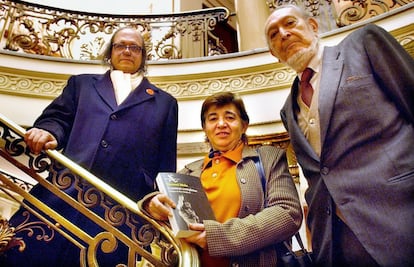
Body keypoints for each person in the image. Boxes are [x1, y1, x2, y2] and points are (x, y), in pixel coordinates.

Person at [0, 27, 178, 266]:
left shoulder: (165, 103)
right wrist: (50, 131)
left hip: (120, 216)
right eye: (120, 45)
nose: (127, 51)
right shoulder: (82, 85)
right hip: (61, 195)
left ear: (143, 56)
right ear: (110, 52)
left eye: (134, 47)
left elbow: (166, 165)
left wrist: (158, 197)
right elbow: (58, 119)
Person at [264, 4, 414, 267]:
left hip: (400, 219)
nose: (283, 34)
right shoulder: (288, 110)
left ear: (312, 26)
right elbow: (319, 172)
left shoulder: (363, 45)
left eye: (290, 24)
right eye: (274, 34)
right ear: (274, 54)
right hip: (337, 244)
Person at [139, 92, 303, 267]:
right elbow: (168, 224)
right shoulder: (187, 172)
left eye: (230, 117)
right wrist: (151, 206)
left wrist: (217, 237)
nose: (221, 124)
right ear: (205, 128)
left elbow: (287, 213)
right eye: (213, 119)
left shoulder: (268, 158)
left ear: (244, 125)